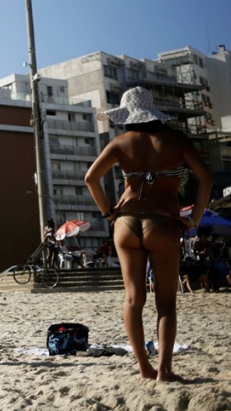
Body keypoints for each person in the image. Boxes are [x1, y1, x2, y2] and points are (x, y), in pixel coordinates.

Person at [85, 86, 212, 382]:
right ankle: (164, 370)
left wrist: (108, 212)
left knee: (133, 298)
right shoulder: (176, 140)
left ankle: (144, 367)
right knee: (166, 302)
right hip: (162, 223)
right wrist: (194, 218)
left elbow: (91, 178)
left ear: (128, 114)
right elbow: (205, 178)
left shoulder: (120, 142)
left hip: (126, 223)